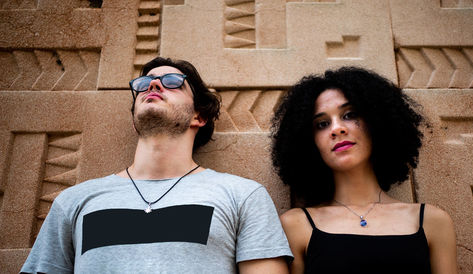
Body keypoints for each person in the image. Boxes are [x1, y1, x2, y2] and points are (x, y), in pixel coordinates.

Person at [21, 57, 292, 273]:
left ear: (199, 116)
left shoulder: (243, 196)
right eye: (144, 83)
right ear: (134, 120)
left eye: (172, 82)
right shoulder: (74, 201)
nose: (153, 85)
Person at [271, 67, 457, 273]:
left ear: (377, 121)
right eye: (322, 124)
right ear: (309, 141)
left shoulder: (431, 221)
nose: (337, 129)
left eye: (349, 115)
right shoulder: (296, 225)